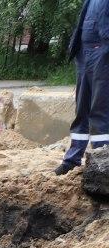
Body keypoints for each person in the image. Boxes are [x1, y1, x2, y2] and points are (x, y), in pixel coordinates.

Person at [56, 0, 109, 174]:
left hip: (103, 54)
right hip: (84, 54)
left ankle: (102, 162)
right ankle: (72, 159)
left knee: (100, 110)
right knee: (81, 111)